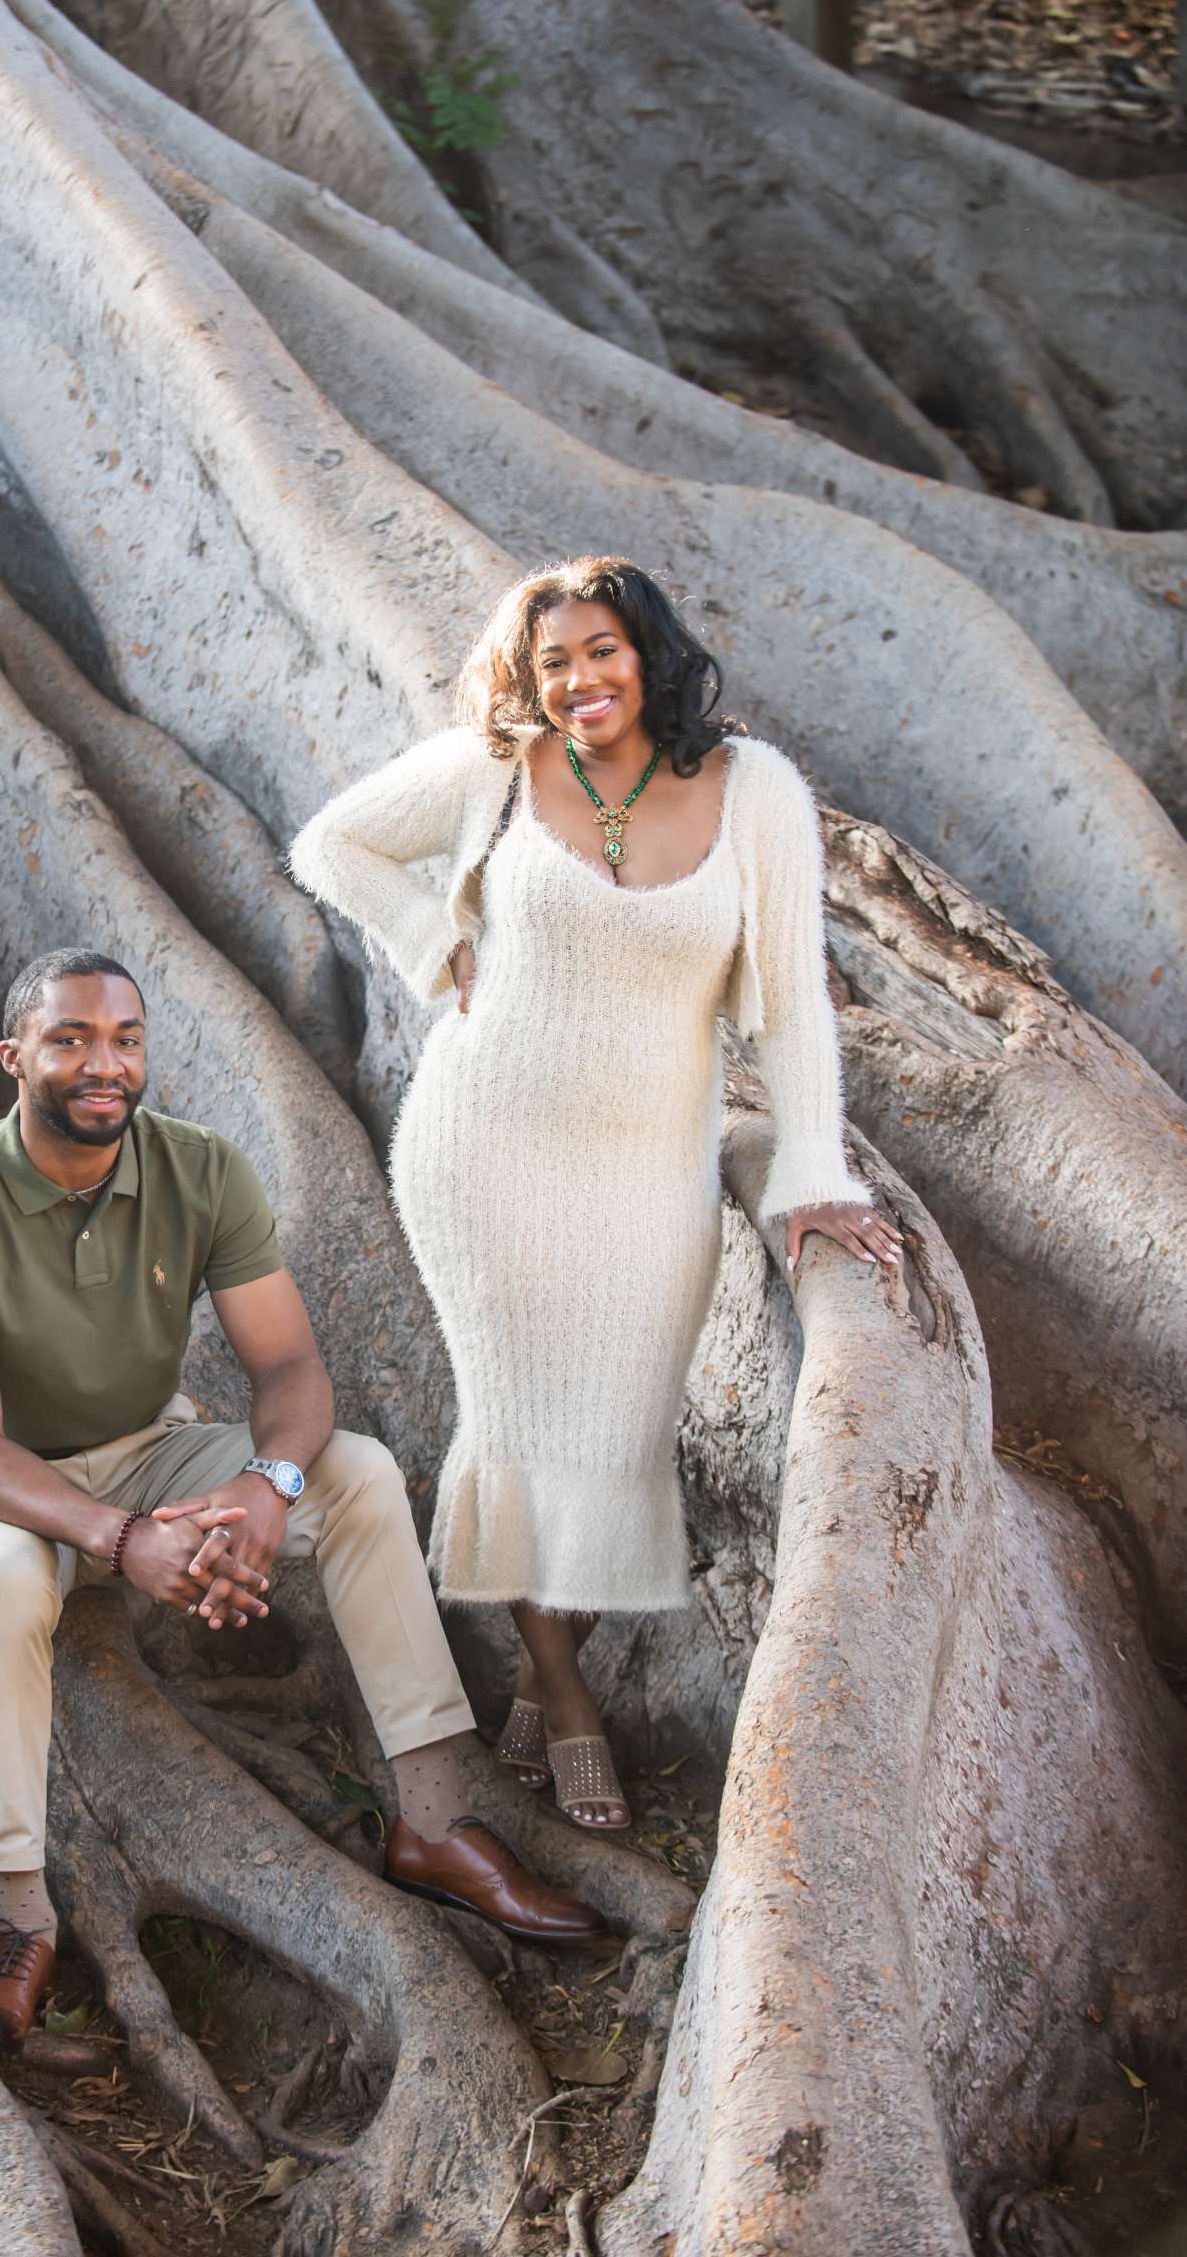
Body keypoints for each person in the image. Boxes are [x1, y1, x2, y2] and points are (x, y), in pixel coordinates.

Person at [0, 948, 601, 2054]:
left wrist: (265, 1487)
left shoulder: (202, 1170)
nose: (103, 1064)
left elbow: (291, 1371)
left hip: (154, 1450)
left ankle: (436, 1821)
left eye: (125, 1038)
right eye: (70, 1039)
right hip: (1, 1484)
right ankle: (22, 1916)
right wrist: (123, 1543)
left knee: (353, 1472)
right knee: (13, 1585)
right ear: (14, 1057)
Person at [289, 555, 903, 1834]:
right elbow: (331, 841)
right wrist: (429, 938)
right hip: (485, 1149)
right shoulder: (497, 771)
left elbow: (790, 1003)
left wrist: (812, 1177)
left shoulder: (756, 792)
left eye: (602, 652)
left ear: (650, 652)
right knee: (515, 1425)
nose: (579, 681)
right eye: (553, 660)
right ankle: (565, 1698)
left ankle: (538, 1659)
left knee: (614, 1439)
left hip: (646, 1171)